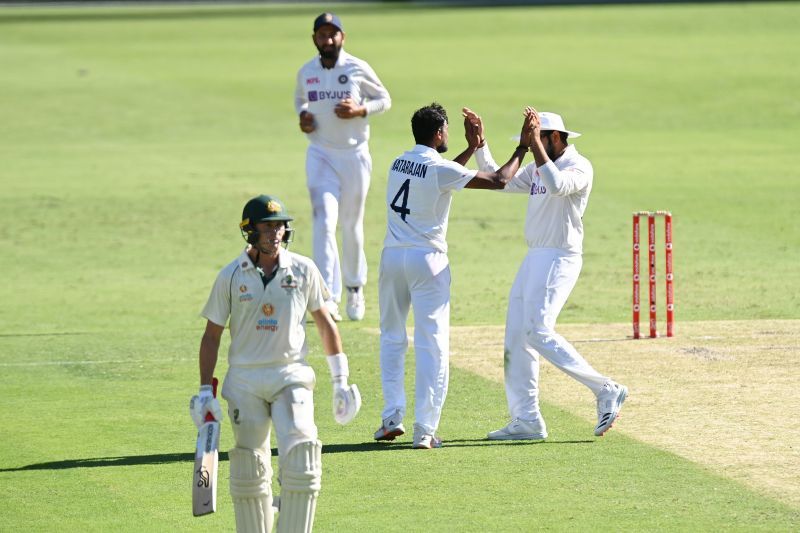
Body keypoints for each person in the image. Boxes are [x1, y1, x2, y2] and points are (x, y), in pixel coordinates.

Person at [189, 195, 361, 532]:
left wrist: (340, 379)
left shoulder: (303, 269)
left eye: (280, 226)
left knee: (301, 455)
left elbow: (326, 324)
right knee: (250, 464)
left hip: (290, 374)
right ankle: (263, 513)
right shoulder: (230, 276)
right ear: (249, 231)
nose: (276, 233)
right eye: (267, 227)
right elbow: (211, 336)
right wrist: (204, 391)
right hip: (245, 380)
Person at [374, 103, 535, 449]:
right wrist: (522, 147)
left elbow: (442, 179)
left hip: (392, 258)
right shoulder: (436, 169)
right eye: (446, 130)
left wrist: (473, 149)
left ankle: (391, 417)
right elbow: (499, 180)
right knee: (432, 343)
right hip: (427, 261)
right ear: (438, 134)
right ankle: (425, 430)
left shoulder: (399, 161)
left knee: (391, 337)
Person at [462, 107, 628, 440]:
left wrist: (534, 145)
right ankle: (527, 420)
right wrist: (480, 146)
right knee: (517, 336)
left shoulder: (579, 166)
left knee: (538, 330)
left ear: (554, 137)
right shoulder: (538, 166)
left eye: (537, 138)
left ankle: (606, 388)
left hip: (560, 256)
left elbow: (557, 185)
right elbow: (501, 182)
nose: (530, 143)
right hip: (535, 256)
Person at [294, 12, 392, 322]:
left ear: (342, 37)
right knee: (324, 221)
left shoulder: (356, 68)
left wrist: (361, 109)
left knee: (350, 225)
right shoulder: (306, 72)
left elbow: (385, 99)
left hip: (354, 156)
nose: (328, 40)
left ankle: (354, 287)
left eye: (333, 34)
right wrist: (304, 117)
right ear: (314, 39)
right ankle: (326, 297)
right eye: (322, 35)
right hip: (320, 154)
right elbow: (300, 101)